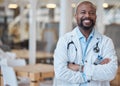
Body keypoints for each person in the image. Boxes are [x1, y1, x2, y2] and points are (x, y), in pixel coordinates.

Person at [53, 1, 118, 86]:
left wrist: (80, 68)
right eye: (83, 12)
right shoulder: (64, 40)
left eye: (91, 13)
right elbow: (60, 72)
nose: (87, 15)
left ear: (95, 17)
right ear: (76, 16)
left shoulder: (106, 42)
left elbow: (111, 72)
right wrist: (86, 77)